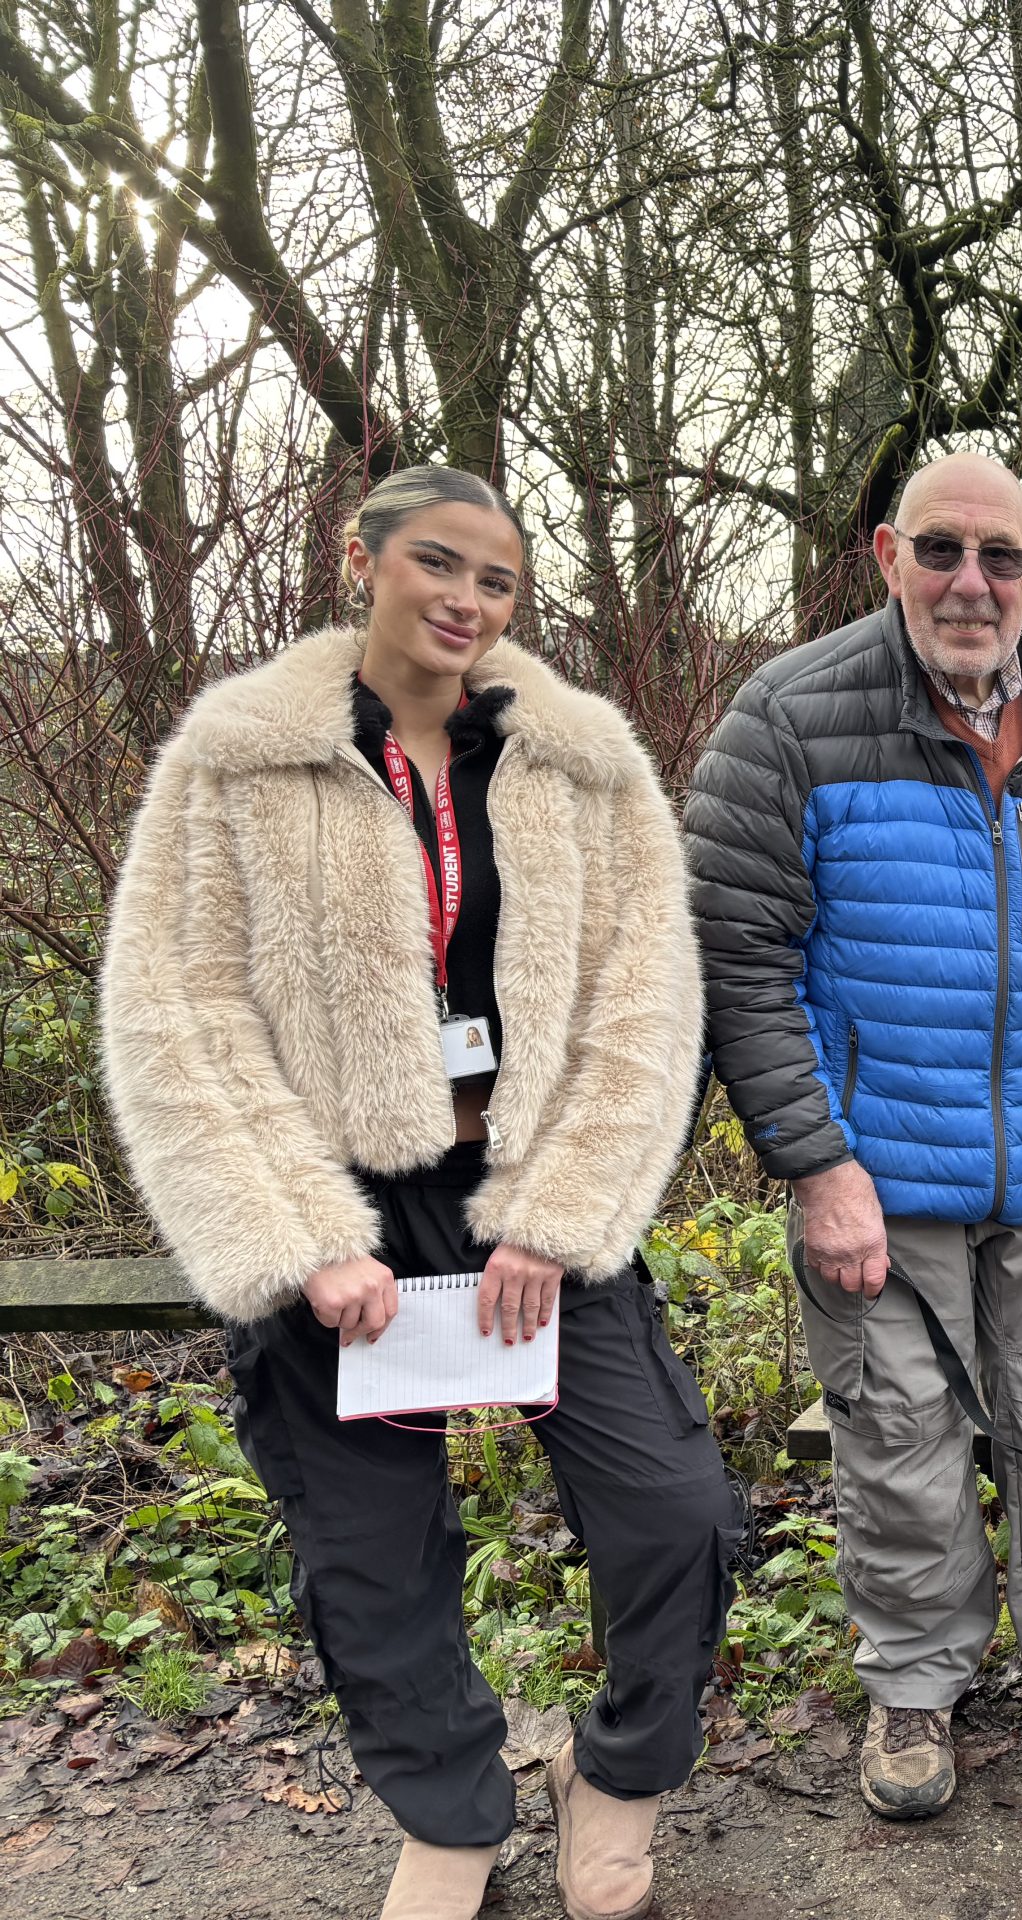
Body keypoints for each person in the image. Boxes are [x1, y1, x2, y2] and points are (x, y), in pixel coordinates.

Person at [98, 466, 735, 1920]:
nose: (465, 600)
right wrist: (303, 1241)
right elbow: (178, 1013)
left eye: (497, 581)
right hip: (339, 1209)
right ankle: (450, 1812)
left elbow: (648, 1006)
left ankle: (618, 1776)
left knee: (674, 1510)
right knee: (369, 1556)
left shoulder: (587, 766)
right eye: (437, 564)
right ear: (363, 558)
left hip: (528, 1196)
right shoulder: (239, 761)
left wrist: (558, 1217)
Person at [684, 451, 1022, 1821]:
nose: (969, 582)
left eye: (999, 556)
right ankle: (916, 1689)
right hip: (878, 1183)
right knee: (903, 1446)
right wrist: (815, 1166)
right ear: (886, 556)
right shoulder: (789, 719)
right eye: (940, 551)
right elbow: (735, 965)